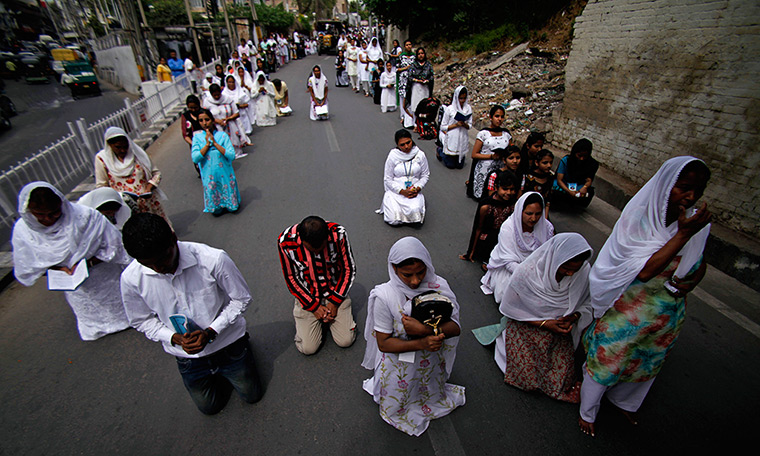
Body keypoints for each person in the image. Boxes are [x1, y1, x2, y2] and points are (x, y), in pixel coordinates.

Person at [579, 156, 712, 437]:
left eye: (698, 190)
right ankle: (587, 410)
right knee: (608, 360)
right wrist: (683, 235)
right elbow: (645, 271)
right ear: (666, 186)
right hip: (627, 311)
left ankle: (625, 401)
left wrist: (691, 281)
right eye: (684, 187)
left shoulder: (695, 223)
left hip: (666, 314)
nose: (691, 197)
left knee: (647, 362)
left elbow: (700, 262)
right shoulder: (640, 219)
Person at [120, 213, 263, 415]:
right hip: (187, 357)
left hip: (228, 344)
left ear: (173, 238)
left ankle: (244, 352)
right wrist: (174, 338)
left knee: (252, 396)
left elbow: (241, 299)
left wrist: (211, 332)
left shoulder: (213, 259)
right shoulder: (130, 279)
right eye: (148, 264)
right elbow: (141, 320)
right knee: (209, 407)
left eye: (162, 259)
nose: (158, 269)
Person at [361, 236, 465, 436]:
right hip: (399, 365)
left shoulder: (439, 286)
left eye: (421, 272)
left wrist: (426, 330)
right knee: (400, 398)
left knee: (427, 390)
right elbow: (384, 343)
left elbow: (455, 327)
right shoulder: (385, 296)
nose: (416, 281)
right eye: (407, 275)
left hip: (431, 361)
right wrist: (422, 343)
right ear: (393, 269)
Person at [475, 233, 593, 403]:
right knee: (527, 375)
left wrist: (574, 316)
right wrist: (545, 323)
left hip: (560, 328)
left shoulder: (583, 272)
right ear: (554, 259)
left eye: (575, 270)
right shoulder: (527, 272)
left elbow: (587, 302)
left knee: (563, 377)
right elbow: (510, 308)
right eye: (565, 268)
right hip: (527, 324)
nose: (569, 273)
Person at [12, 182, 131, 341]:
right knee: (89, 309)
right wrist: (56, 270)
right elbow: (28, 265)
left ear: (62, 204)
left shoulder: (86, 217)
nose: (48, 219)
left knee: (119, 305)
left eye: (54, 213)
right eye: (40, 215)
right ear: (28, 212)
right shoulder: (23, 231)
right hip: (74, 286)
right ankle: (97, 327)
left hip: (103, 276)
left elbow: (114, 246)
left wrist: (87, 263)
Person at [277, 216, 357, 355]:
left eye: (320, 249)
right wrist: (314, 307)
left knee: (345, 341)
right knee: (308, 349)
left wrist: (334, 301)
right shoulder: (285, 242)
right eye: (311, 250)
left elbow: (348, 269)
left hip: (335, 291)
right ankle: (307, 320)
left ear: (327, 238)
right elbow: (291, 277)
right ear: (302, 240)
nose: (316, 253)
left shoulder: (339, 235)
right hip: (308, 294)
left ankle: (333, 314)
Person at [481, 192, 554, 302]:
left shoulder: (547, 228)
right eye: (529, 213)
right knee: (509, 295)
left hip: (537, 270)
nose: (533, 218)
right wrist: (528, 276)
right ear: (520, 211)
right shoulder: (508, 228)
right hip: (511, 269)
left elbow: (547, 255)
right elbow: (508, 262)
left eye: (538, 214)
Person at [95, 127, 170, 224]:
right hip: (125, 209)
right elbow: (101, 187)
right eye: (118, 147)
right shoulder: (102, 159)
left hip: (148, 205)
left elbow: (156, 174)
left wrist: (149, 188)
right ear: (110, 145)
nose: (122, 150)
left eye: (125, 147)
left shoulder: (137, 154)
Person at [460, 171, 519, 265]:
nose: (508, 193)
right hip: (488, 239)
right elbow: (478, 228)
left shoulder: (514, 204)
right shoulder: (486, 206)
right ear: (496, 187)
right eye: (505, 189)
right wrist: (471, 251)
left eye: (512, 189)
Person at [192, 109, 240, 215]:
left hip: (225, 174)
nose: (204, 123)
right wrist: (207, 145)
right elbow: (195, 158)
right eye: (201, 121)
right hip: (209, 177)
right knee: (216, 211)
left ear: (212, 120)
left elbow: (231, 155)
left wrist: (215, 143)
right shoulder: (197, 138)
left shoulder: (222, 136)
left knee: (232, 208)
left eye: (207, 120)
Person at [380, 129, 430, 226]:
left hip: (413, 191)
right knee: (393, 220)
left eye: (408, 142)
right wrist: (402, 191)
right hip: (396, 192)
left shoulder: (420, 155)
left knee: (415, 215)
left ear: (412, 140)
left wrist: (417, 188)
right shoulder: (393, 156)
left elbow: (425, 175)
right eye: (402, 145)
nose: (406, 147)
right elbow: (388, 179)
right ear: (397, 145)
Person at [466, 105, 512, 200]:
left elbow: (511, 152)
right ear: (491, 117)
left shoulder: (506, 135)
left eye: (502, 117)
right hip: (485, 168)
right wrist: (491, 156)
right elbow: (474, 154)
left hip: (500, 168)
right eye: (497, 116)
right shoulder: (483, 134)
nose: (499, 119)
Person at [202, 83, 251, 158]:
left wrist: (228, 119)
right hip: (217, 126)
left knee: (233, 140)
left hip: (230, 125)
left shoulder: (228, 99)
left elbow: (237, 113)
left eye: (218, 94)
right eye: (214, 95)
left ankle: (235, 153)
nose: (217, 97)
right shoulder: (207, 102)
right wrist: (216, 121)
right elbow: (205, 116)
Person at [553, 138, 599, 210]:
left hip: (578, 185)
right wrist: (569, 191)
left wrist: (584, 188)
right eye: (579, 155)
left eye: (584, 156)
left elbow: (589, 180)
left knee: (589, 192)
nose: (581, 159)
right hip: (564, 184)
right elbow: (559, 180)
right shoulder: (566, 161)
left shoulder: (592, 164)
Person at [438, 86, 472, 169]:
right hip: (452, 136)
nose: (462, 101)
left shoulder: (468, 108)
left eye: (464, 98)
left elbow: (470, 125)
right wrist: (456, 125)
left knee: (460, 166)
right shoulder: (450, 109)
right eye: (460, 98)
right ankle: (440, 152)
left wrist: (464, 124)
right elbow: (443, 126)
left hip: (462, 137)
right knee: (450, 165)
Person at [404, 47, 434, 130]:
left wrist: (427, 80)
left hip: (425, 87)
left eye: (422, 53)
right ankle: (416, 125)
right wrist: (417, 80)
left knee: (425, 106)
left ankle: (424, 125)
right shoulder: (413, 65)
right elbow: (409, 77)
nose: (421, 55)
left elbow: (431, 76)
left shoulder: (428, 65)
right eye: (419, 54)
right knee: (415, 106)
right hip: (416, 87)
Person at [522, 149, 555, 218]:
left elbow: (548, 200)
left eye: (551, 162)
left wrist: (545, 219)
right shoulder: (528, 178)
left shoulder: (550, 177)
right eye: (545, 163)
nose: (549, 165)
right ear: (537, 162)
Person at [397, 40, 416, 128]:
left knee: (411, 98)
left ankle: (411, 116)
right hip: (403, 79)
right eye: (407, 45)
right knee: (403, 98)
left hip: (412, 80)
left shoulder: (414, 56)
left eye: (410, 44)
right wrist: (406, 68)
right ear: (404, 46)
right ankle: (403, 116)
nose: (408, 46)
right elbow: (397, 69)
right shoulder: (401, 56)